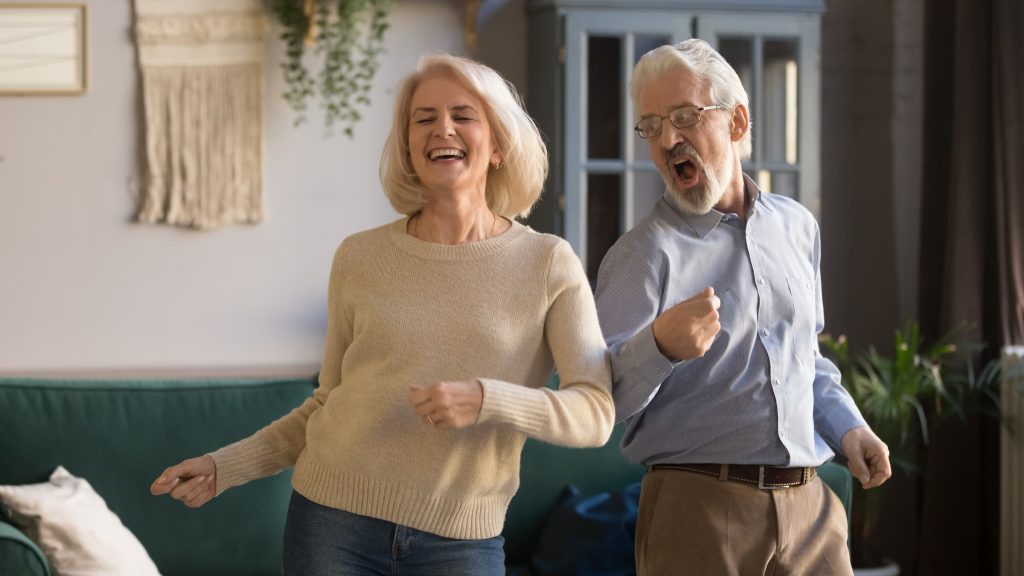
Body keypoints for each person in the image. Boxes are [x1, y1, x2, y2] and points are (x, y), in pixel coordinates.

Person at [150, 53, 614, 575]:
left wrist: (489, 398)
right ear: (410, 148)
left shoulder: (548, 262)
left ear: (500, 144)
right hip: (331, 524)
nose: (443, 128)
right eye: (424, 118)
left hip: (462, 539)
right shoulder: (359, 257)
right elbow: (327, 401)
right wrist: (225, 467)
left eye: (463, 115)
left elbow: (595, 412)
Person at [594, 39, 891, 576]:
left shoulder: (797, 226)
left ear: (736, 122)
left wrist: (850, 429)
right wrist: (659, 346)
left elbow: (806, 361)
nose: (669, 139)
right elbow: (599, 402)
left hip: (812, 510)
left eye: (684, 116)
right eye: (652, 125)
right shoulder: (640, 255)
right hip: (699, 513)